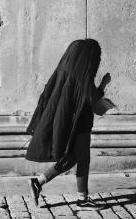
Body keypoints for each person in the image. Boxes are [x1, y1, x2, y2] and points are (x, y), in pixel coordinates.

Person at [25, 38, 111, 209]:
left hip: (70, 122)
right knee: (83, 159)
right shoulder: (83, 74)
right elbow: (91, 98)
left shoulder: (67, 70)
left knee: (72, 158)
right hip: (81, 124)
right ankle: (83, 199)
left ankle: (39, 182)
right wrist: (103, 84)